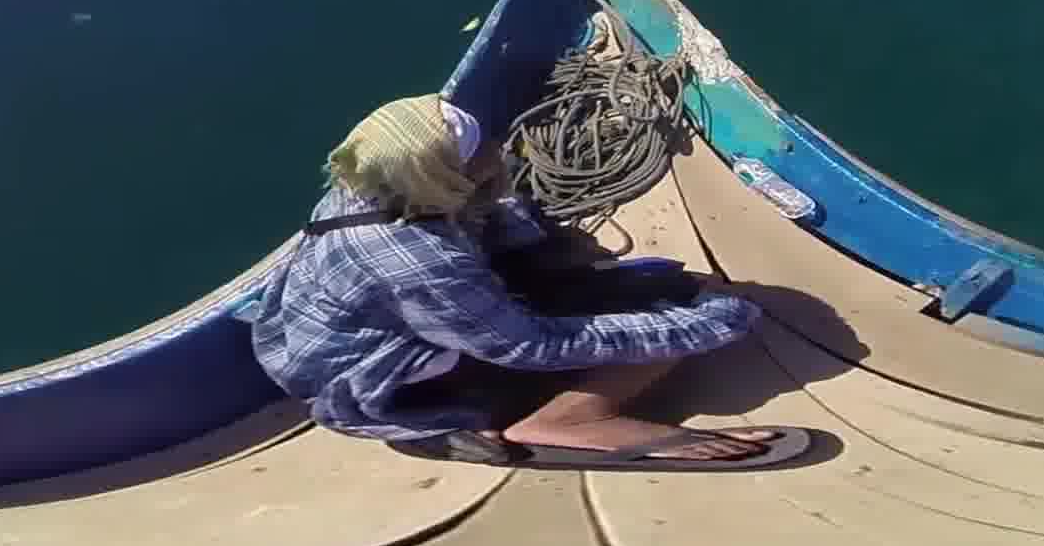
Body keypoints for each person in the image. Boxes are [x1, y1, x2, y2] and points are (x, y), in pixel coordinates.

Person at [249, 93, 812, 470]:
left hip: (346, 337)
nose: (495, 147)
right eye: (478, 150)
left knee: (649, 290)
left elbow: (486, 216)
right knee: (679, 324)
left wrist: (541, 245)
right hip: (382, 378)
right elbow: (531, 345)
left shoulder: (376, 181)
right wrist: (704, 328)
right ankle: (569, 419)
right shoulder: (419, 259)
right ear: (447, 173)